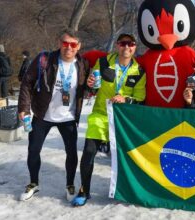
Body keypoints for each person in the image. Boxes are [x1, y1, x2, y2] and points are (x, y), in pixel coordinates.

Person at [71, 33, 146, 207]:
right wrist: (91, 84)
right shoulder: (104, 62)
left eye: (130, 44)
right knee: (89, 151)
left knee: (124, 158)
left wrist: (125, 99)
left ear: (135, 47)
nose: (126, 47)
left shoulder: (140, 71)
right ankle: (84, 190)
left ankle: (126, 191)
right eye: (122, 43)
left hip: (123, 120)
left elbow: (140, 98)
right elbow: (94, 87)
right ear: (117, 45)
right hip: (100, 115)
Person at [17, 29, 89, 201]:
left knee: (71, 153)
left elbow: (89, 88)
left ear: (78, 46)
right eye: (65, 43)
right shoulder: (45, 59)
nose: (68, 48)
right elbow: (27, 82)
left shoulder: (83, 64)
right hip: (43, 114)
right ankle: (34, 183)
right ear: (59, 43)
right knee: (33, 150)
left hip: (69, 118)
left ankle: (70, 184)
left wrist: (93, 86)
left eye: (72, 44)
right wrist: (24, 108)